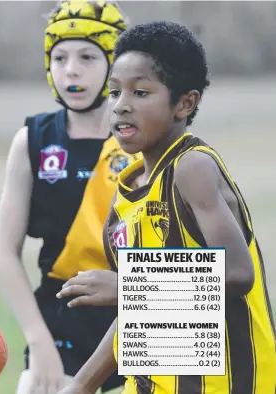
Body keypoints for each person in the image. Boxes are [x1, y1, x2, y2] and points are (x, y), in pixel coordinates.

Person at [58, 20, 276, 394]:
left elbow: (239, 274)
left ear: (184, 103)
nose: (122, 105)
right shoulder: (127, 189)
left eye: (140, 93)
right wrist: (79, 386)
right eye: (114, 93)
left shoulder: (192, 167)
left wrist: (128, 286)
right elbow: (143, 313)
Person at [0, 1, 136, 393]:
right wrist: (38, 344)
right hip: (62, 321)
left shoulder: (145, 140)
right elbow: (5, 252)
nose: (71, 69)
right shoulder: (33, 140)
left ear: (116, 63)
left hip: (145, 313)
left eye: (88, 56)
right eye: (60, 57)